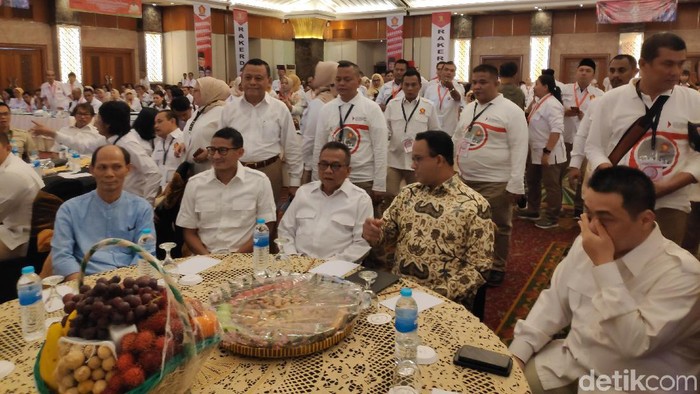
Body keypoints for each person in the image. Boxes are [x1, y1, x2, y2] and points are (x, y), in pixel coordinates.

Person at [509, 166, 700, 393]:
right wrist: (518, 354)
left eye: (605, 219)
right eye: (589, 214)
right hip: (570, 364)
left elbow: (633, 345)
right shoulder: (586, 243)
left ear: (645, 220)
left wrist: (605, 267)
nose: (592, 227)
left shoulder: (684, 274)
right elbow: (554, 302)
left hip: (635, 383)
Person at [585, 32, 700, 245]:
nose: (675, 72)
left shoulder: (694, 101)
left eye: (680, 64)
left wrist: (667, 187)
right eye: (667, 64)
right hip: (618, 202)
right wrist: (613, 176)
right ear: (643, 64)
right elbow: (594, 147)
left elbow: (698, 156)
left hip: (671, 203)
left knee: (664, 268)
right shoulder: (611, 100)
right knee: (613, 259)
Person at [362, 130, 494, 309]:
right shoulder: (408, 193)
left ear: (439, 160)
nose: (412, 165)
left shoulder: (474, 205)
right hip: (399, 295)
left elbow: (479, 269)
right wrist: (374, 233)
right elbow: (386, 235)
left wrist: (434, 297)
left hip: (445, 303)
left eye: (418, 159)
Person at [454, 64, 528, 286]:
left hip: (497, 180)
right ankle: (472, 260)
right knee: (467, 223)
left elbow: (520, 148)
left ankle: (497, 265)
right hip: (465, 179)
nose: (477, 86)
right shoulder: (469, 108)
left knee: (498, 225)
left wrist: (516, 184)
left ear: (497, 83)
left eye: (483, 82)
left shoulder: (511, 111)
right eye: (474, 82)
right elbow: (457, 138)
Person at [51, 145, 155, 280]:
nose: (109, 174)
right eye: (102, 167)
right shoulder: (69, 210)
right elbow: (61, 256)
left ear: (127, 169)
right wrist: (82, 285)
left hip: (130, 282)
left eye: (117, 167)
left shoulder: (141, 208)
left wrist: (127, 283)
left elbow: (145, 253)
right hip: (85, 281)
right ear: (92, 170)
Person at [176, 127, 276, 254]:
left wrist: (233, 259)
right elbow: (189, 231)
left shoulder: (259, 181)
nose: (216, 156)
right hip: (205, 258)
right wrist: (208, 259)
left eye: (223, 150)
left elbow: (266, 227)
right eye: (212, 150)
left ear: (240, 152)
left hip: (245, 258)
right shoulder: (195, 184)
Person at [220, 58, 302, 203]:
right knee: (238, 215)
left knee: (268, 219)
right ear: (241, 80)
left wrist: (294, 181)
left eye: (258, 78)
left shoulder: (279, 108)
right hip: (236, 171)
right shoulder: (229, 109)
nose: (252, 82)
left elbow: (291, 145)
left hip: (269, 169)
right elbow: (221, 144)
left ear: (269, 81)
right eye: (248, 78)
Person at [568, 55, 638, 216]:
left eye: (622, 70)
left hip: (630, 171)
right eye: (612, 71)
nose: (615, 75)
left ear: (635, 72)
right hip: (599, 168)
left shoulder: (643, 103)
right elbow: (583, 134)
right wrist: (575, 164)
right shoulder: (599, 101)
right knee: (595, 217)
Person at [312, 60, 388, 210]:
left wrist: (379, 184)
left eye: (347, 79)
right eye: (338, 79)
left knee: (363, 227)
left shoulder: (371, 108)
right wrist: (317, 179)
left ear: (358, 81)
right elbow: (319, 147)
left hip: (363, 178)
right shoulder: (327, 109)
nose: (342, 83)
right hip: (332, 177)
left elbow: (380, 148)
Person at [278, 142, 372, 262]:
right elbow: (285, 230)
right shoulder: (304, 192)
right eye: (324, 164)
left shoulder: (361, 200)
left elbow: (361, 244)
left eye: (335, 166)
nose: (328, 171)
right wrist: (293, 258)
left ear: (348, 171)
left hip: (337, 271)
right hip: (296, 265)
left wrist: (328, 266)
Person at [383, 68, 440, 210]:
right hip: (393, 159)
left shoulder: (428, 106)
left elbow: (435, 132)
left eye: (413, 85)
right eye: (406, 84)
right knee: (389, 194)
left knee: (417, 197)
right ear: (401, 85)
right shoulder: (392, 104)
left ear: (420, 86)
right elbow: (385, 130)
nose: (410, 88)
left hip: (418, 162)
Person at [518, 74, 567, 229]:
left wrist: (547, 152)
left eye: (537, 84)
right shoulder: (540, 102)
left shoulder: (552, 104)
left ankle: (552, 216)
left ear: (545, 86)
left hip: (549, 151)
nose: (534, 87)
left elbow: (556, 130)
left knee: (551, 185)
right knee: (532, 180)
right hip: (535, 150)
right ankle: (533, 209)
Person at [95, 101, 161, 204]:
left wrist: (147, 203)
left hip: (132, 201)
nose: (95, 122)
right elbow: (84, 145)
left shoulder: (127, 143)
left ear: (107, 124)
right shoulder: (111, 139)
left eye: (98, 118)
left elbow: (154, 172)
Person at [0, 131, 44, 262]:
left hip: (18, 238)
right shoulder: (11, 164)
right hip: (13, 229)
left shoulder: (13, 173)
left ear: (8, 148)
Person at [300, 61, 338, 184]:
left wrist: (306, 165)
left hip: (317, 163)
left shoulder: (318, 104)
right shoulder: (336, 99)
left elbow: (310, 139)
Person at [31, 103, 105, 155]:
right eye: (79, 114)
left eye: (86, 114)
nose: (82, 117)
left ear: (92, 117)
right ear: (74, 115)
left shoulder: (96, 133)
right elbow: (55, 151)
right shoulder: (64, 130)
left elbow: (82, 147)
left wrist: (51, 133)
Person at [422, 61, 465, 137]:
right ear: (440, 72)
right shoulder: (430, 89)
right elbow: (425, 107)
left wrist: (451, 87)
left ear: (454, 74)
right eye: (446, 69)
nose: (449, 72)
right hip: (432, 131)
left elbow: (457, 98)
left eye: (452, 71)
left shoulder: (459, 87)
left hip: (450, 132)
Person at [152, 110, 184, 189]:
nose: (156, 126)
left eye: (159, 122)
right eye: (155, 123)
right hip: (159, 189)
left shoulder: (183, 139)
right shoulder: (159, 142)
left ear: (172, 121)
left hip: (176, 190)